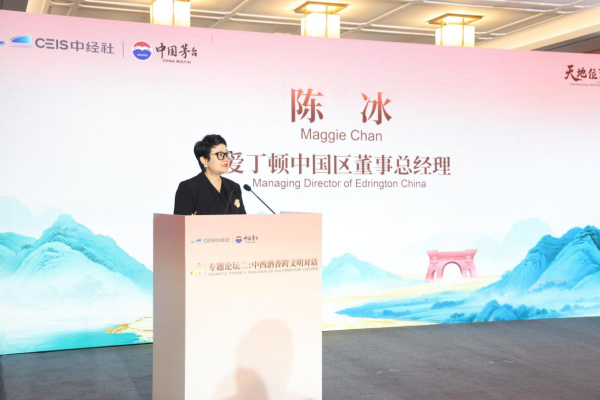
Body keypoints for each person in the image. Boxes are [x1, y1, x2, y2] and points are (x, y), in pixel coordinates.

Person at [174, 135, 246, 215]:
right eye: (220, 154)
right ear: (204, 160)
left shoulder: (233, 187)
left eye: (226, 154)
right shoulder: (188, 188)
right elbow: (181, 221)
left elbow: (243, 220)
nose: (226, 159)